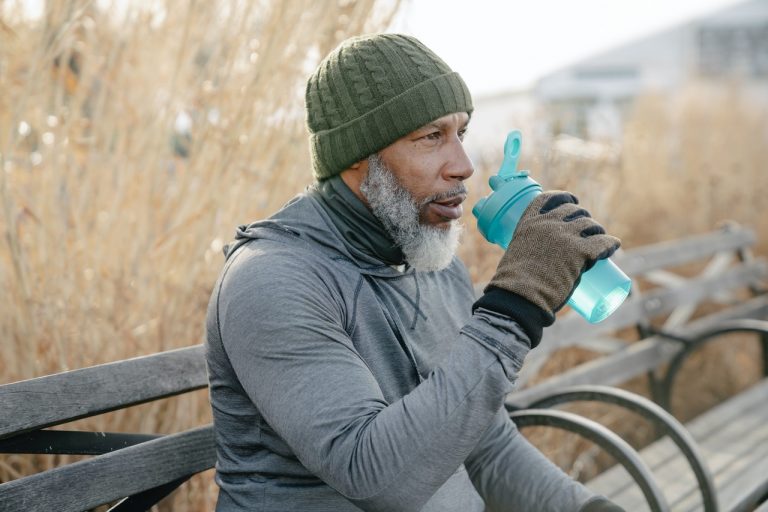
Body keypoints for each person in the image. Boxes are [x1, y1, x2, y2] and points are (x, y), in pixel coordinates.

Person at [205, 33, 624, 512]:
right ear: (357, 154)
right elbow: (377, 479)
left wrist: (589, 508)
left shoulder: (429, 259)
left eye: (461, 134)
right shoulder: (274, 280)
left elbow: (486, 448)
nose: (464, 166)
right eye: (431, 137)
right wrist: (514, 309)